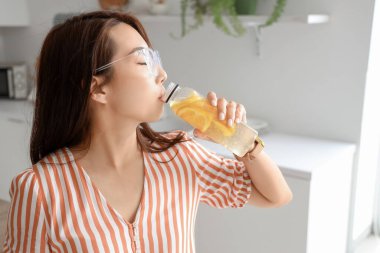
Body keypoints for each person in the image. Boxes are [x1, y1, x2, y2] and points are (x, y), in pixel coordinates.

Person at [2, 11, 292, 253]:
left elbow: (275, 196)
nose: (162, 75)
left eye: (156, 60)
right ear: (97, 87)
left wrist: (238, 139)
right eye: (143, 61)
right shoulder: (39, 190)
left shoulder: (180, 155)